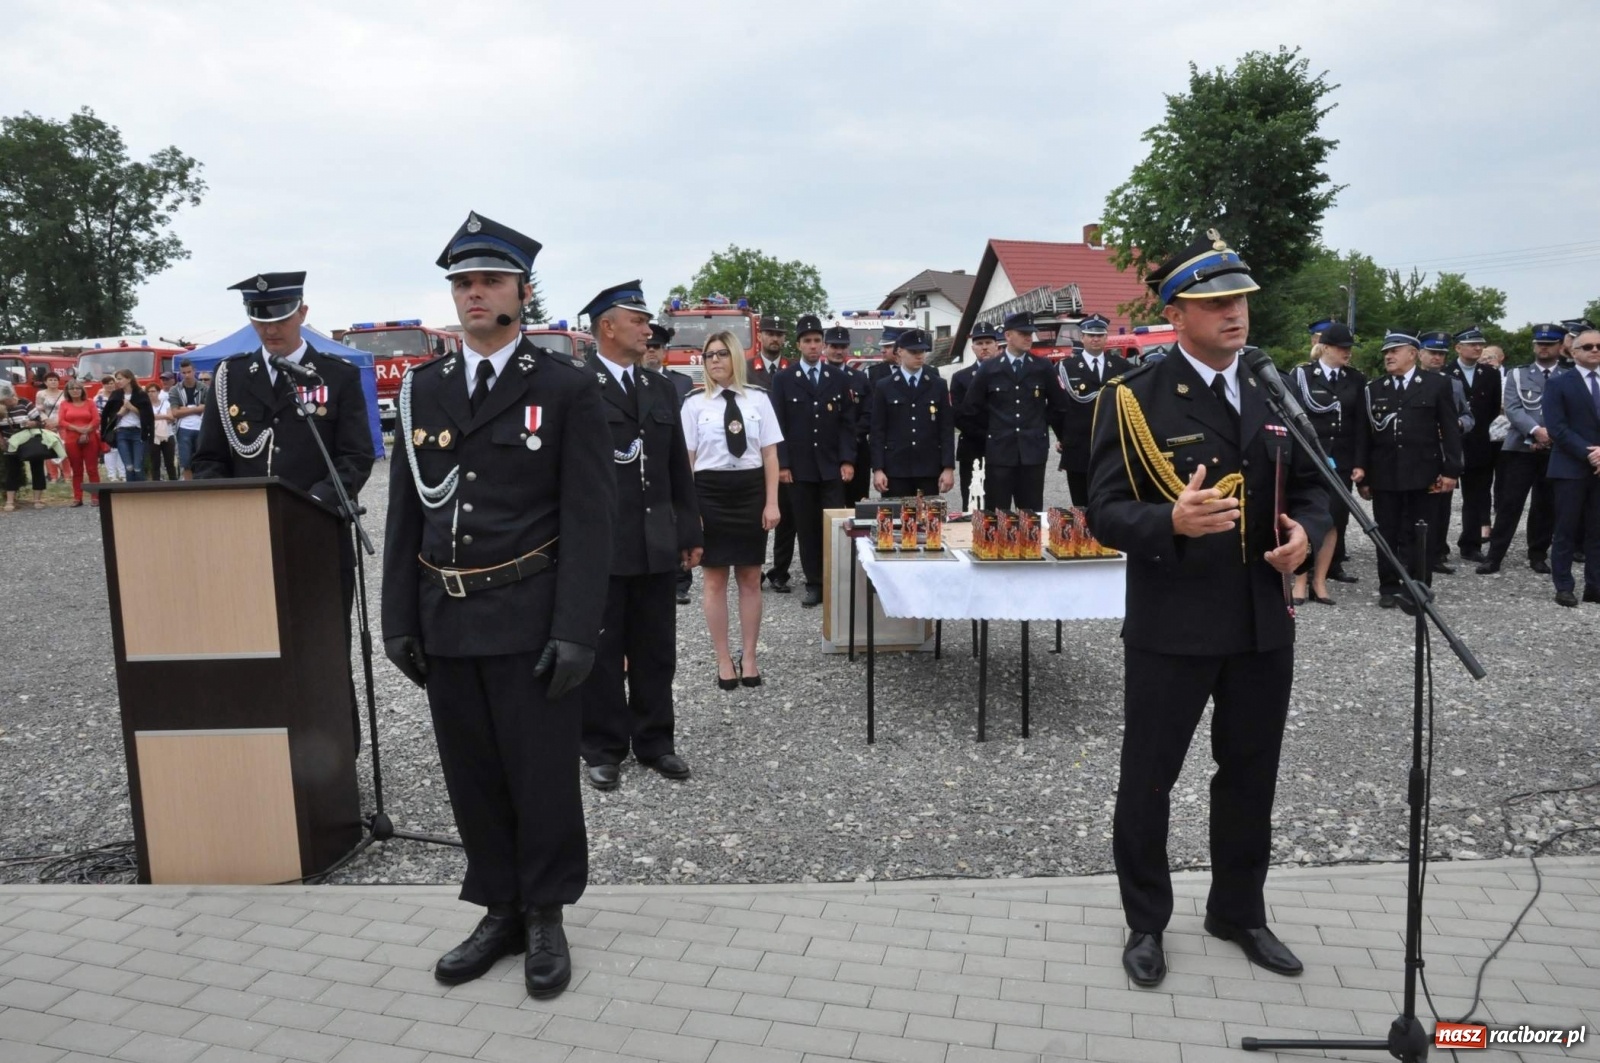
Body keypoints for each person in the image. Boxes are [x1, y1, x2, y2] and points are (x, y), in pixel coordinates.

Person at [1088, 230, 1330, 988]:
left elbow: (1317, 487)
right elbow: (1101, 510)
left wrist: (1306, 534)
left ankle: (1238, 910)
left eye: (1242, 300)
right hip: (1175, 620)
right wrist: (1169, 522)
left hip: (1262, 619)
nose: (1236, 313)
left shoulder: (1272, 387)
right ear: (1178, 313)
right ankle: (1146, 920)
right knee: (1150, 776)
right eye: (1216, 302)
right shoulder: (1133, 398)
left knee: (1251, 772)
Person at [382, 212, 613, 1000]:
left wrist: (578, 628)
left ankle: (546, 911)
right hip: (446, 615)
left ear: (522, 290)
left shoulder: (565, 387)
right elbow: (407, 509)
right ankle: (500, 907)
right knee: (472, 772)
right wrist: (397, 619)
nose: (473, 294)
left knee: (541, 771)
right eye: (461, 283)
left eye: (487, 281)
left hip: (529, 612)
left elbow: (589, 517)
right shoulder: (426, 388)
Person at [193, 270, 375, 748]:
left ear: (302, 314)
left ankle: (335, 757)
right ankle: (266, 750)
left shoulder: (336, 376)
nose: (270, 329)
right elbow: (209, 458)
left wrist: (314, 504)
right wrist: (230, 508)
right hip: (244, 541)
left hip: (316, 538)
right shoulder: (231, 377)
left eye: (280, 318)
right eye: (260, 319)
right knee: (251, 648)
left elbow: (354, 456)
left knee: (323, 651)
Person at [577, 280, 701, 792]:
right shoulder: (578, 387)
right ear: (608, 326)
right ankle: (603, 746)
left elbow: (676, 467)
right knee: (603, 651)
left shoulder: (658, 388)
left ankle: (655, 741)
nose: (648, 330)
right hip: (602, 544)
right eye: (638, 321)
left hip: (654, 540)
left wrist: (688, 528)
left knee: (655, 648)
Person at [681, 331, 783, 688]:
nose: (715, 361)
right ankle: (723, 658)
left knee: (751, 578)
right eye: (709, 356)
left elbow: (770, 455)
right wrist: (691, 510)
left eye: (722, 354)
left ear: (736, 357)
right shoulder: (694, 404)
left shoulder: (758, 399)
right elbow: (687, 462)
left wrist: (772, 502)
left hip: (750, 491)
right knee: (713, 579)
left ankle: (750, 656)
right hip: (709, 492)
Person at [1352, 331, 1462, 612]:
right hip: (1385, 473)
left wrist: (1451, 470)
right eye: (1386, 352)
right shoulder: (1375, 388)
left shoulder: (1437, 384)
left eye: (1395, 351)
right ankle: (1388, 586)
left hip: (1424, 472)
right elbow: (1364, 434)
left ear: (1412, 354)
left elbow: (1450, 429)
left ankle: (1418, 586)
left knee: (1421, 532)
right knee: (1385, 531)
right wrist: (1362, 471)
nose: (1388, 356)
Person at [770, 313, 858, 607]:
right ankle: (814, 583)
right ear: (798, 345)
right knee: (806, 528)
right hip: (800, 468)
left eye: (817, 341)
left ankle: (835, 580)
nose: (812, 346)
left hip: (831, 466)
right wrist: (782, 464)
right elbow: (777, 425)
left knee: (833, 525)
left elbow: (848, 423)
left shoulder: (838, 377)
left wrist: (848, 460)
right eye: (807, 341)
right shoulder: (783, 379)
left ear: (823, 345)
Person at [1476, 324, 1569, 575]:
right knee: (1509, 503)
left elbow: (1571, 410)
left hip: (1556, 449)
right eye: (1540, 343)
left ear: (1560, 347)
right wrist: (1536, 432)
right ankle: (1494, 556)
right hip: (1519, 449)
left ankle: (1538, 554)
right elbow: (1513, 409)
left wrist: (1551, 435)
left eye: (1549, 344)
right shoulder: (1517, 375)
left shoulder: (1568, 376)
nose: (1543, 348)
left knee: (1545, 504)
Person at [957, 311, 1066, 511]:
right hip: (1000, 453)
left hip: (1032, 451)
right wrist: (991, 433)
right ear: (1008, 336)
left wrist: (1043, 425)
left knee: (1031, 514)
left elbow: (1058, 405)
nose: (1028, 338)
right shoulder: (989, 368)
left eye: (1030, 333)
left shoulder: (1042, 367)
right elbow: (970, 409)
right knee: (998, 515)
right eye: (1023, 333)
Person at [1290, 323, 1366, 603]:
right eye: (1341, 348)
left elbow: (1360, 424)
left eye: (1349, 348)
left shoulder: (1356, 379)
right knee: (1305, 518)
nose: (1347, 353)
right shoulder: (1303, 376)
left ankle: (1320, 581)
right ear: (1325, 347)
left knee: (1335, 519)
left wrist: (1360, 462)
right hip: (1310, 458)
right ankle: (1300, 580)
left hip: (1341, 461)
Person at [1542, 327, 1600, 606]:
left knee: (1597, 530)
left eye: (1599, 346)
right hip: (1570, 467)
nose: (1594, 350)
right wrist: (1589, 453)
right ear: (1573, 352)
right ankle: (1564, 585)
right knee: (1565, 529)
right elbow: (1557, 427)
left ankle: (1595, 585)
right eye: (1587, 346)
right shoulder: (1559, 383)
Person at [645, 322, 695, 605]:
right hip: (648, 457)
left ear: (665, 352)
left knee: (680, 514)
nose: (651, 353)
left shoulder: (681, 383)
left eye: (657, 348)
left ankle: (681, 580)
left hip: (677, 455)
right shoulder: (637, 380)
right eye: (648, 347)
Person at [869, 328, 954, 497]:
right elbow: (878, 431)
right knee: (896, 521)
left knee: (928, 520)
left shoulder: (937, 385)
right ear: (900, 352)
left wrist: (948, 468)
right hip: (896, 468)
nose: (919, 356)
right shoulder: (884, 386)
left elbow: (946, 429)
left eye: (922, 351)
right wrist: (878, 469)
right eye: (913, 351)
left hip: (928, 467)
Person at [1056, 313, 1130, 506]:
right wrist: (1062, 437)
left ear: (1106, 338)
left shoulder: (1122, 366)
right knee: (1081, 504)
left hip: (1112, 443)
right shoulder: (1066, 367)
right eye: (1090, 335)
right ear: (1082, 338)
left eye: (1099, 335)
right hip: (1078, 445)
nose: (1095, 339)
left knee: (1111, 500)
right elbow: (1058, 407)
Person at [1416, 332, 1473, 574]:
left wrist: (1455, 425)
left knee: (1441, 507)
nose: (1437, 358)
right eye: (1433, 353)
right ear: (1420, 354)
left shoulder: (1454, 384)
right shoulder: (1409, 380)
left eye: (1441, 354)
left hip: (1442, 454)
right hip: (1414, 453)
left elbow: (1468, 417)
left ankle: (1438, 552)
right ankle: (1408, 550)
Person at [1447, 327, 1501, 563]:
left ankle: (1470, 544)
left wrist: (1476, 429)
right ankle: (1437, 546)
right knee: (1442, 496)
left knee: (1476, 496)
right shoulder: (1447, 372)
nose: (1478, 348)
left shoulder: (1489, 373)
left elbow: (1490, 409)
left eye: (1480, 344)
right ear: (1458, 348)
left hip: (1478, 441)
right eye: (1472, 344)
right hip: (1450, 442)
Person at [750, 316, 794, 591]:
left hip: (785, 453)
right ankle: (753, 568)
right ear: (760, 337)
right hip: (755, 454)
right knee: (757, 516)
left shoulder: (793, 370)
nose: (774, 338)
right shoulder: (745, 370)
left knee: (786, 516)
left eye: (779, 334)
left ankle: (780, 570)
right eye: (769, 333)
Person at [951, 322, 999, 509]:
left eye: (988, 342)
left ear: (997, 345)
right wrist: (985, 434)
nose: (984, 347)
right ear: (972, 348)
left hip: (1002, 446)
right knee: (972, 501)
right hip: (972, 447)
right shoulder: (961, 378)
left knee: (998, 502)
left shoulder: (1005, 373)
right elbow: (958, 414)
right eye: (979, 343)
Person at [825, 325, 874, 507]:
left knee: (858, 508)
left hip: (857, 449)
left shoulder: (860, 379)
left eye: (842, 347)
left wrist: (850, 437)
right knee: (830, 507)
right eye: (834, 346)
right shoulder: (818, 378)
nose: (838, 351)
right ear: (825, 347)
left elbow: (869, 414)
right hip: (826, 451)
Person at [99, 369, 153, 483]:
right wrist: (121, 412)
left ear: (129, 379)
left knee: (138, 467)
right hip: (121, 432)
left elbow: (148, 415)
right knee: (128, 466)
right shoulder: (116, 394)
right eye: (117, 379)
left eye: (120, 379)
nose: (117, 382)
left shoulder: (141, 394)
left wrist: (131, 407)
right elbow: (107, 414)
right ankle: (130, 494)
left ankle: (142, 492)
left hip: (138, 432)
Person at [2, 383, 49, 511]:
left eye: (7, 398)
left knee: (37, 468)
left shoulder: (25, 403)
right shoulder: (1, 407)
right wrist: (1, 441)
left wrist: (32, 423)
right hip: (10, 442)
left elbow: (41, 422)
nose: (6, 402)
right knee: (11, 470)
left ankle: (37, 499)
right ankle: (10, 501)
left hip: (30, 441)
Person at [56, 379, 101, 506]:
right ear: (67, 391)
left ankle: (96, 496)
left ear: (82, 390)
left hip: (90, 438)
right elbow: (61, 421)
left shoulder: (90, 403)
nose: (75, 391)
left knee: (92, 469)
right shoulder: (64, 404)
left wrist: (86, 431)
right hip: (72, 439)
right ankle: (77, 497)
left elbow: (96, 419)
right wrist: (77, 429)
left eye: (77, 388)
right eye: (72, 389)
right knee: (76, 470)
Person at [167, 358, 209, 479]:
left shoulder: (204, 388)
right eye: (183, 373)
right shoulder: (175, 389)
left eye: (189, 372)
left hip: (201, 427)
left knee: (201, 460)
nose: (186, 375)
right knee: (186, 462)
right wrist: (197, 409)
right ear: (180, 373)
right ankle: (190, 487)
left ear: (194, 371)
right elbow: (174, 413)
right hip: (183, 429)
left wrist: (184, 409)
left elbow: (209, 407)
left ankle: (201, 485)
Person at [33, 373, 66, 483]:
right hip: (47, 425)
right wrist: (47, 422)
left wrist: (58, 422)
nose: (53, 382)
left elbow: (67, 409)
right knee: (48, 450)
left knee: (65, 449)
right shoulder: (41, 394)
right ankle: (53, 476)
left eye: (55, 380)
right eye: (50, 380)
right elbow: (39, 410)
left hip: (62, 424)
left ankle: (67, 475)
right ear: (46, 382)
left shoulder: (64, 394)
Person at [146, 383, 178, 480]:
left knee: (170, 462)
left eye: (153, 391)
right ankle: (156, 483)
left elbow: (171, 418)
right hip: (153, 436)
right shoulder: (145, 405)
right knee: (155, 462)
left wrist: (155, 418)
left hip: (168, 434)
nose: (151, 394)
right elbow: (147, 418)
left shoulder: (166, 403)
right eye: (149, 392)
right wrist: (164, 417)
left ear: (158, 392)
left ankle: (174, 482)